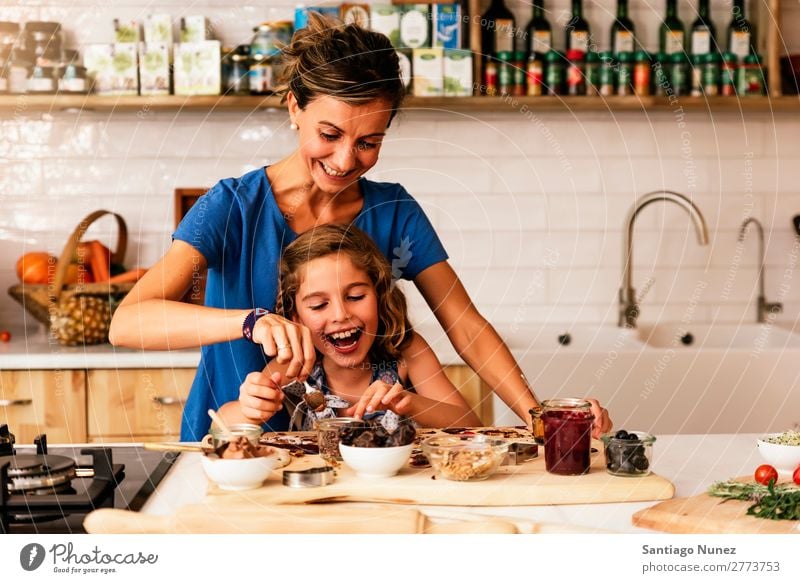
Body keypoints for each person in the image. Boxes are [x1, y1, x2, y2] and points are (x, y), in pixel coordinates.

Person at [109, 13, 612, 440]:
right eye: (329, 134)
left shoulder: (394, 212)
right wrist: (250, 321)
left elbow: (467, 327)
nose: (346, 160)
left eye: (370, 141)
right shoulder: (231, 207)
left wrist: (537, 416)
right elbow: (128, 322)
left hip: (349, 458)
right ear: (294, 107)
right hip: (238, 448)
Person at [218, 224, 481, 430]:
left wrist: (410, 403)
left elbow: (471, 425)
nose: (341, 315)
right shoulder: (295, 365)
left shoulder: (405, 350)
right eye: (319, 305)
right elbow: (220, 424)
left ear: (379, 295)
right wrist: (249, 406)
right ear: (295, 318)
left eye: (355, 297)